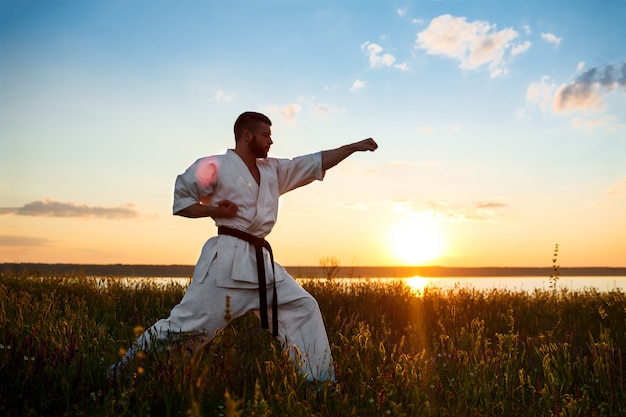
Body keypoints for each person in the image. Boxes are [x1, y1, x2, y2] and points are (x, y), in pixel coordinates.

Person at [110, 111, 378, 383]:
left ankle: (319, 385)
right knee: (186, 328)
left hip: (261, 264)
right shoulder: (216, 166)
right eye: (266, 135)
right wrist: (215, 210)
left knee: (303, 307)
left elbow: (312, 162)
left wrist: (352, 148)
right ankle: (122, 374)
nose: (271, 141)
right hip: (227, 261)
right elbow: (181, 200)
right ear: (246, 135)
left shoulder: (273, 170)